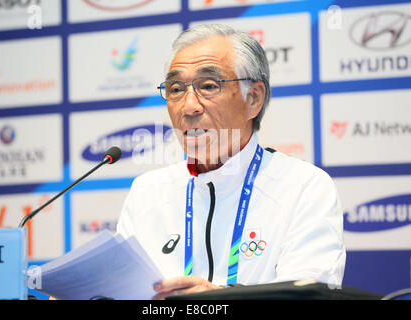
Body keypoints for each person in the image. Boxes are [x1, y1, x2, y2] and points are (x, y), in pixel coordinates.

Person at [116, 24, 346, 300]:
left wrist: (219, 299)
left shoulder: (303, 187)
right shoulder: (147, 192)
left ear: (254, 98)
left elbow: (310, 297)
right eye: (176, 88)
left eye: (209, 86)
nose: (189, 107)